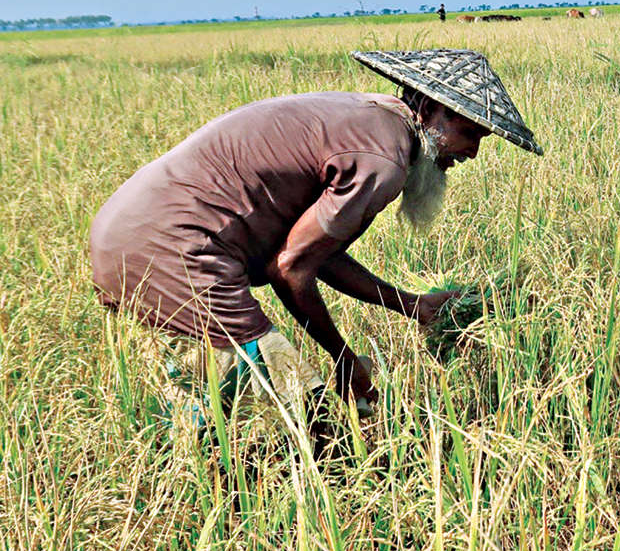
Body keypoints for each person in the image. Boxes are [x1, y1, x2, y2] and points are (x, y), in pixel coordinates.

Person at [89, 49, 542, 453]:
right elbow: (291, 268)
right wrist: (344, 361)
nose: (472, 152)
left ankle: (193, 484)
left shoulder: (370, 115)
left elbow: (312, 252)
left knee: (209, 408)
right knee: (301, 426)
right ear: (427, 108)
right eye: (468, 132)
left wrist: (412, 305)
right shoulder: (384, 159)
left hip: (127, 236)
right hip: (177, 250)